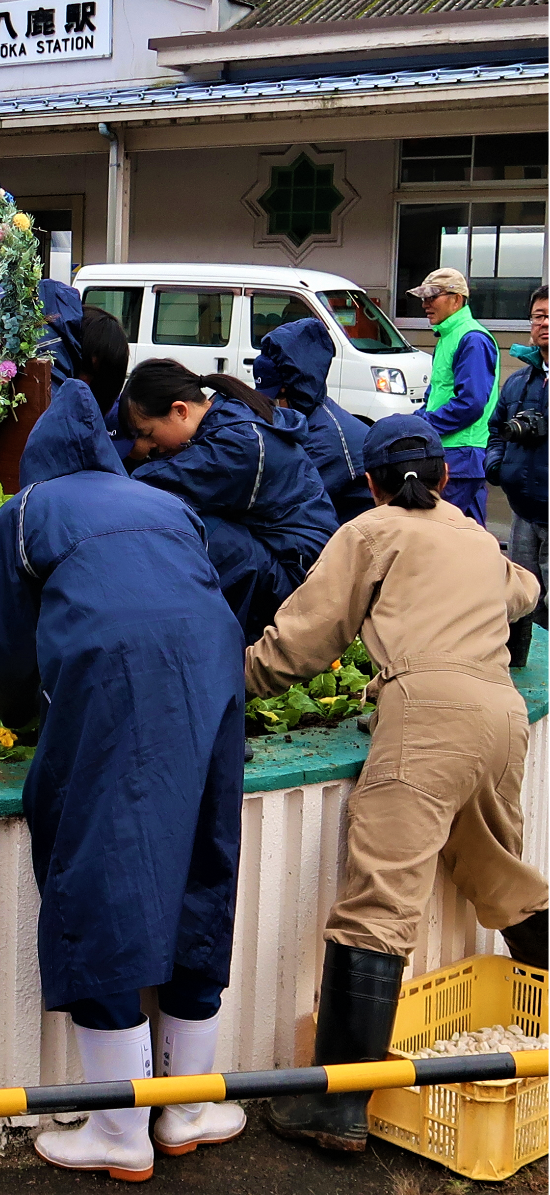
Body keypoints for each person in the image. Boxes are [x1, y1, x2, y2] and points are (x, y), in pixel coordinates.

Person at [0, 380, 248, 1182]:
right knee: (202, 861)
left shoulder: (26, 512)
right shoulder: (162, 502)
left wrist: (25, 717)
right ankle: (188, 1108)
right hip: (214, 680)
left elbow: (4, 644)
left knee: (100, 872)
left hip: (113, 683)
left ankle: (120, 1130)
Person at [245, 415, 546, 1154]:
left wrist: (232, 681)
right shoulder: (476, 535)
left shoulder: (371, 530)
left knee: (379, 897)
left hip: (427, 715)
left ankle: (334, 1105)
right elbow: (526, 590)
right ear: (445, 478)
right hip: (502, 716)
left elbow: (306, 641)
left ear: (371, 483)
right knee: (494, 870)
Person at [121, 358, 338, 638]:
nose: (149, 447)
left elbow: (149, 489)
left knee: (190, 524)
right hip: (295, 558)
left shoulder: (236, 445)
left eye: (148, 434)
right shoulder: (228, 414)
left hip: (298, 578)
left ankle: (215, 641)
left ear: (179, 411)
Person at [252, 317, 371, 523]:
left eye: (274, 398)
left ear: (295, 387)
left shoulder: (330, 438)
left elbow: (289, 501)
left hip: (348, 533)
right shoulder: (310, 415)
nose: (270, 406)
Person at [410, 267, 501, 525]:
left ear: (456, 299)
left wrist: (424, 426)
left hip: (461, 453)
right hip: (455, 453)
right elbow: (437, 393)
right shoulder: (448, 336)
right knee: (468, 531)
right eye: (423, 298)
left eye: (432, 296)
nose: (425, 304)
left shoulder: (472, 338)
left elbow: (471, 404)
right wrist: (414, 422)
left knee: (444, 530)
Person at [487, 285, 548, 660]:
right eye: (539, 316)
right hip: (523, 513)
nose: (544, 323)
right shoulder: (519, 381)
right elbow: (496, 429)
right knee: (525, 601)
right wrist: (496, 467)